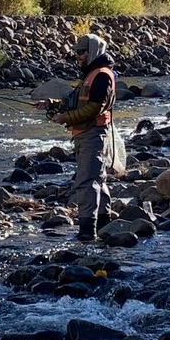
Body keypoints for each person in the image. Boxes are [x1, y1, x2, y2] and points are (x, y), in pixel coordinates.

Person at [47, 30, 119, 241]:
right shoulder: (91, 73)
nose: (78, 56)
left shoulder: (101, 75)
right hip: (87, 133)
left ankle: (87, 233)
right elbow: (77, 100)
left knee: (86, 181)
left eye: (81, 52)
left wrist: (65, 118)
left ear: (93, 52)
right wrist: (50, 105)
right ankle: (104, 225)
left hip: (93, 134)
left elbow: (94, 109)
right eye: (77, 52)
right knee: (98, 177)